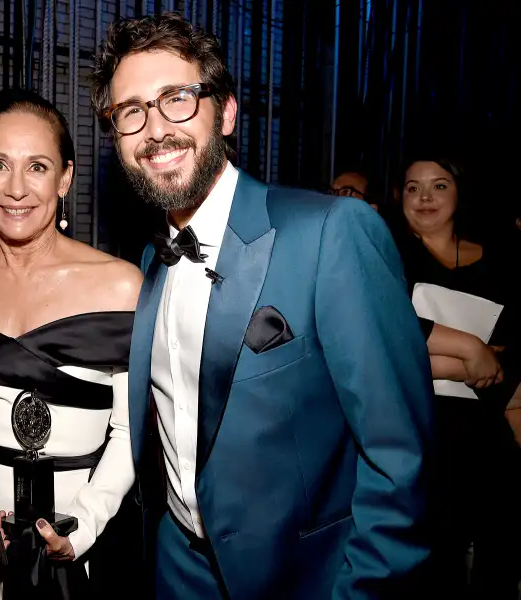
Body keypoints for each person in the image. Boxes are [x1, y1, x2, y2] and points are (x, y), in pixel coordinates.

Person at [90, 13, 435, 600]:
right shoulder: (152, 262)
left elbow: (400, 459)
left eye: (175, 98)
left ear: (225, 111)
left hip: (306, 579)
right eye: (131, 112)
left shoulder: (331, 232)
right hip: (181, 570)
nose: (155, 129)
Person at [0, 88, 143, 600]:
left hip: (82, 543)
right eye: (0, 165)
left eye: (38, 167)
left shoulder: (120, 286)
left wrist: (83, 526)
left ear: (65, 176)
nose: (16, 188)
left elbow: (132, 429)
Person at [390, 157, 521, 599]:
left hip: (487, 429)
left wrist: (487, 364)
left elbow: (511, 356)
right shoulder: (386, 255)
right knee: (432, 569)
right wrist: (470, 355)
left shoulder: (498, 263)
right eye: (413, 188)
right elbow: (382, 343)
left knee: (499, 560)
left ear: (459, 194)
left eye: (439, 186)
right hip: (415, 432)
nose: (425, 197)